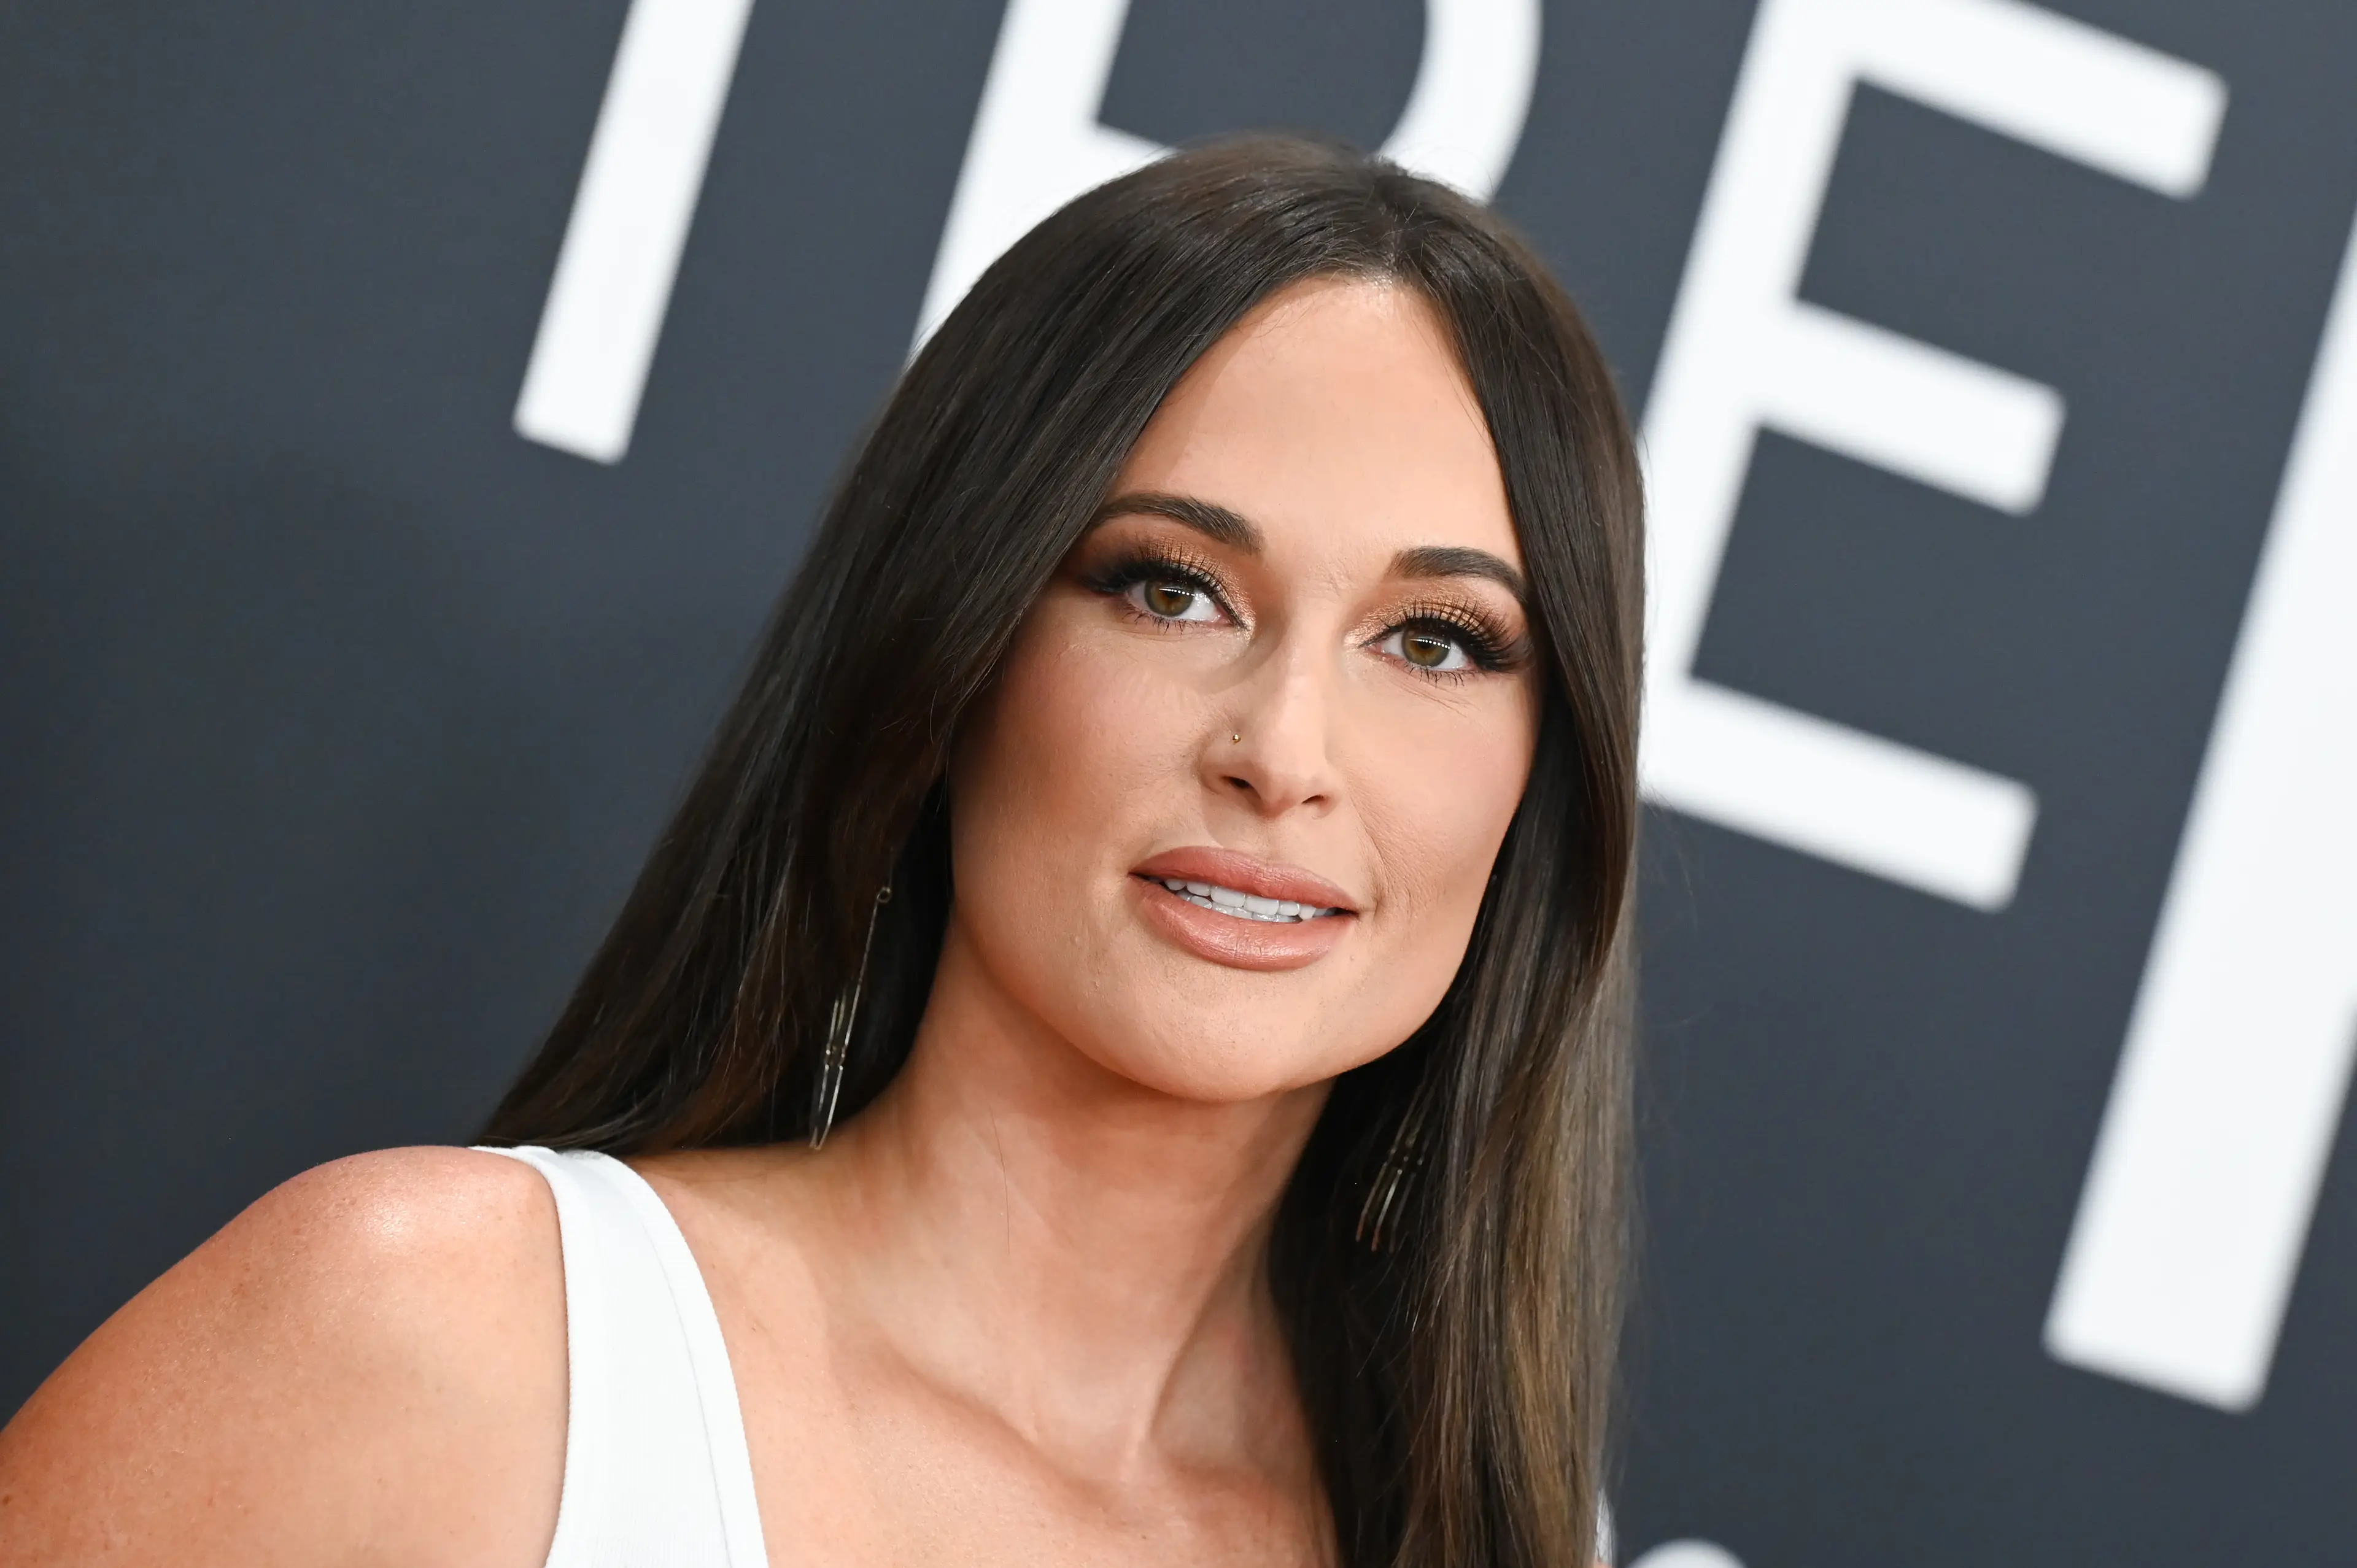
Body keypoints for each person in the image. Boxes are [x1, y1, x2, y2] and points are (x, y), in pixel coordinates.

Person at [0, 136, 1644, 1567]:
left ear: (1546, 774)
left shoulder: (1502, 1539)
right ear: (958, 641)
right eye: (1170, 588)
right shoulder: (436, 1341)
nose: (1283, 754)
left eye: (1436, 642)